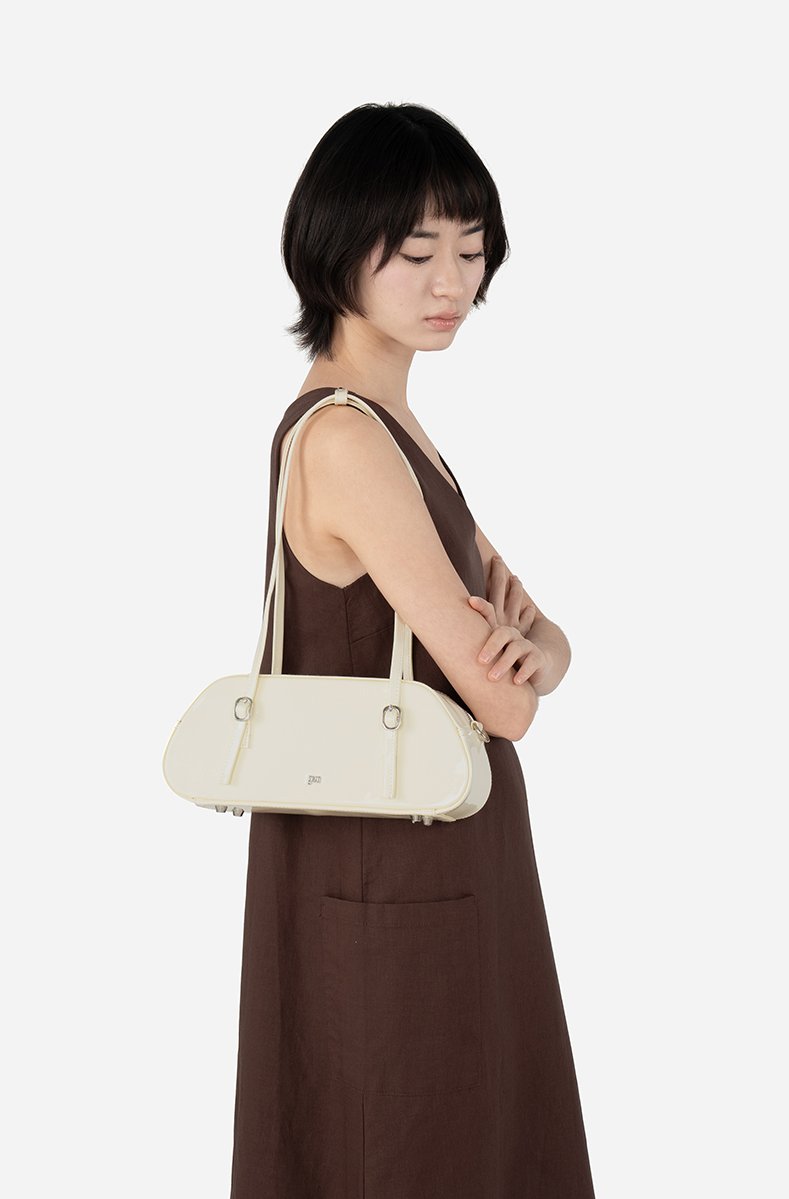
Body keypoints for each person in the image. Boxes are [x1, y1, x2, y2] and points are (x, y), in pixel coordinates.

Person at [229, 101, 596, 1199]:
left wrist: (536, 652)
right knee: (399, 1140)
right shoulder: (346, 438)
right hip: (385, 862)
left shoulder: (394, 430)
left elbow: (546, 639)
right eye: (417, 250)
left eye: (472, 251)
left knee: (453, 1133)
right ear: (338, 248)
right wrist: (521, 661)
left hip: (433, 848)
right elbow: (509, 697)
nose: (452, 283)